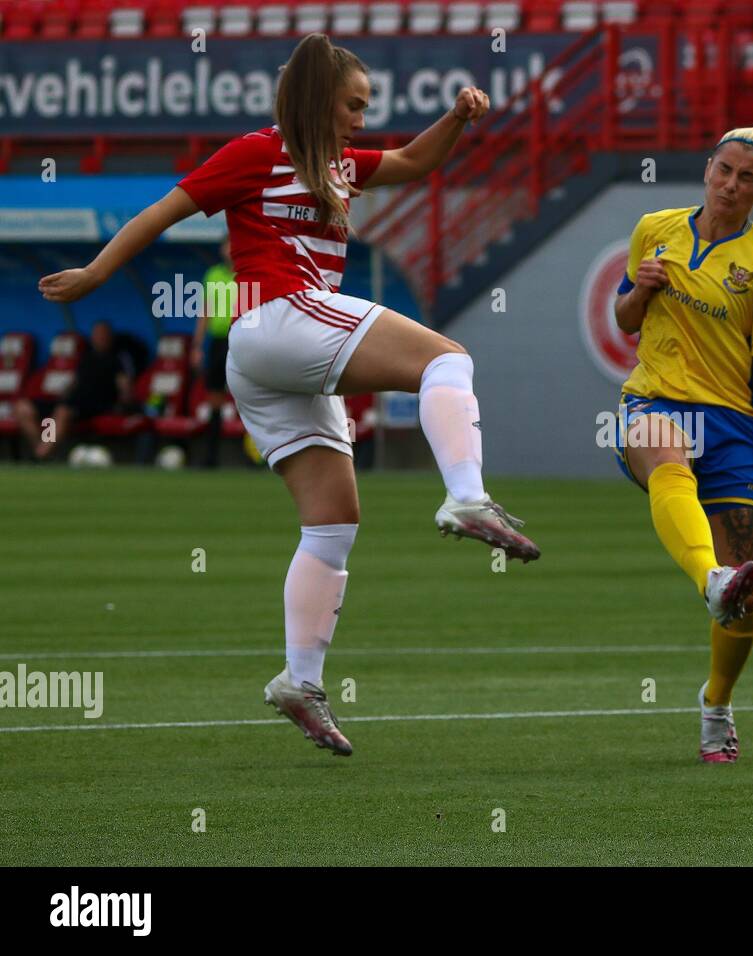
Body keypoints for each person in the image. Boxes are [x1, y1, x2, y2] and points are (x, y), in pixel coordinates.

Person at [38, 33, 539, 757]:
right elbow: (163, 212)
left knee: (333, 521)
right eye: (354, 105)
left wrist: (459, 118)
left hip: (270, 359)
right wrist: (93, 273)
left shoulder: (337, 164)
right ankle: (466, 495)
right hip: (278, 317)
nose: (363, 120)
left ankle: (298, 680)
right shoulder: (253, 153)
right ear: (316, 100)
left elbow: (414, 161)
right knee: (448, 357)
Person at [613, 124, 753, 763]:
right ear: (708, 168)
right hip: (655, 399)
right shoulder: (654, 228)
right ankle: (711, 578)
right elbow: (625, 318)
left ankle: (717, 704)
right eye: (724, 170)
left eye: (747, 178)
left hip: (736, 425)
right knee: (664, 448)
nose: (730, 185)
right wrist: (642, 288)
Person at [14, 320, 131, 461]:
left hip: (93, 405)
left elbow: (125, 388)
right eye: (97, 334)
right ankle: (41, 448)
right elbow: (74, 382)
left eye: (103, 335)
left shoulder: (117, 360)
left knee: (61, 412)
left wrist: (123, 406)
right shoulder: (85, 357)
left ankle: (40, 455)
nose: (100, 338)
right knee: (23, 407)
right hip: (70, 400)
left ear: (110, 337)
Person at [192, 237, 236, 468]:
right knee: (215, 397)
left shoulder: (249, 273)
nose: (229, 250)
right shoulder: (213, 275)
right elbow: (205, 312)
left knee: (249, 397)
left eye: (233, 245)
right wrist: (197, 346)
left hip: (242, 338)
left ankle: (257, 456)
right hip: (218, 342)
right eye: (225, 245)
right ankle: (211, 457)